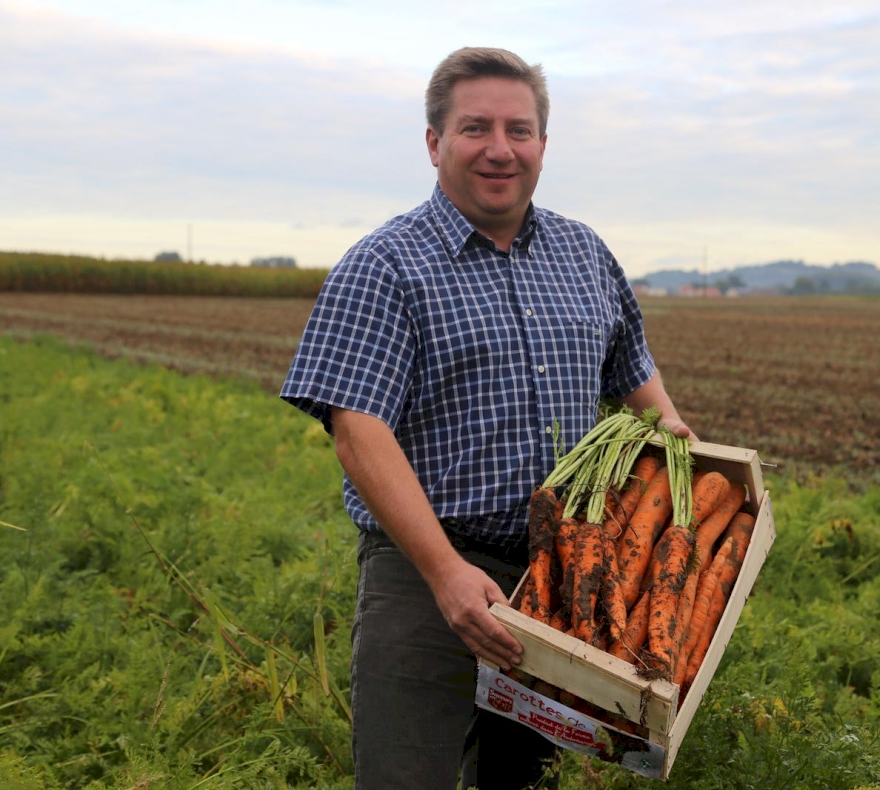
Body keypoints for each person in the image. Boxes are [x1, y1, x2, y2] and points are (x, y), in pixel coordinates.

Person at [280, 46, 694, 790]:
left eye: (519, 129)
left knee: (527, 780)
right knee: (408, 777)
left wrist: (692, 464)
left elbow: (638, 382)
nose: (500, 149)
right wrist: (445, 574)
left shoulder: (583, 252)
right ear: (435, 143)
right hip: (426, 574)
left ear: (542, 143)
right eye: (475, 129)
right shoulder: (384, 265)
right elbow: (357, 429)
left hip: (567, 579)